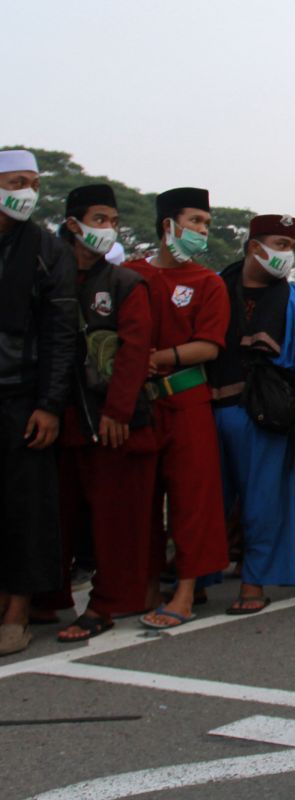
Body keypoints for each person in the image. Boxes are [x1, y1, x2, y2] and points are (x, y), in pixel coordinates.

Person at [33, 185, 153, 642]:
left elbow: (134, 352)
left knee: (111, 517)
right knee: (53, 515)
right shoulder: (46, 275)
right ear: (72, 224)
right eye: (99, 219)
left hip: (108, 419)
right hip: (54, 417)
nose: (107, 229)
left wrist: (119, 411)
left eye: (113, 221)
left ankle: (107, 603)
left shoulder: (125, 283)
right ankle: (47, 599)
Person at [209, 214, 295, 614]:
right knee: (206, 499)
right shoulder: (213, 289)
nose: (286, 254)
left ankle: (254, 581)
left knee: (264, 502)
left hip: (267, 414)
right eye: (279, 244)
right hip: (208, 409)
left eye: (292, 247)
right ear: (252, 247)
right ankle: (196, 576)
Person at [125, 187, 230, 629]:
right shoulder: (129, 275)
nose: (202, 231)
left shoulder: (208, 283)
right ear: (168, 225)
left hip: (187, 400)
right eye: (195, 222)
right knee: (139, 499)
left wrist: (159, 359)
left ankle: (186, 590)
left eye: (206, 223)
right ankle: (144, 585)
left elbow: (208, 347)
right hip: (137, 406)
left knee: (193, 499)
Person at [0, 151, 76, 656]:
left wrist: (49, 403)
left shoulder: (48, 248)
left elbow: (61, 335)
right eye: (15, 181)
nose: (26, 190)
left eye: (33, 182)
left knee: (24, 507)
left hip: (22, 397)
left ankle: (17, 610)